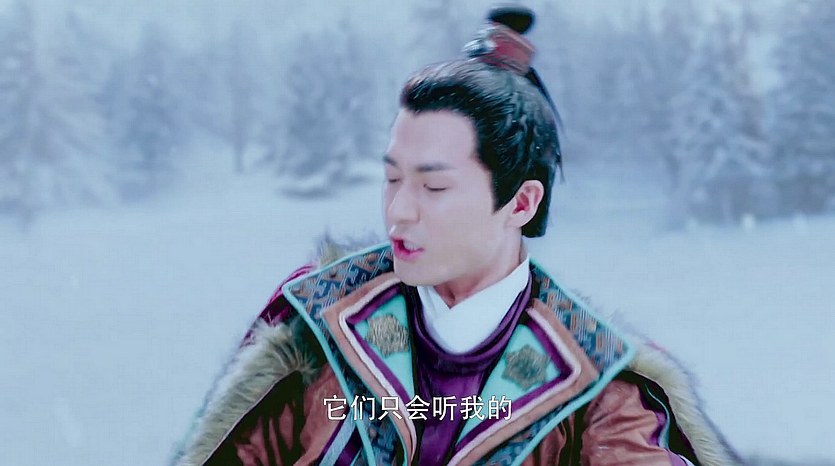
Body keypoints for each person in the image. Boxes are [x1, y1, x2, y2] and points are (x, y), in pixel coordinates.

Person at [171, 6, 741, 466]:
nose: (398, 211)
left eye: (434, 187)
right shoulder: (323, 339)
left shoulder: (598, 391)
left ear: (521, 202)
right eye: (393, 179)